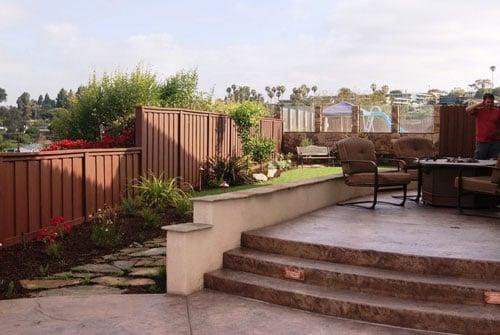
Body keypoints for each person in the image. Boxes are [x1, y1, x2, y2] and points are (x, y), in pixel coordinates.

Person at [465, 93, 500, 159]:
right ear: (484, 101)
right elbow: (467, 110)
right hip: (482, 141)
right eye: (488, 102)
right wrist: (480, 104)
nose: (490, 104)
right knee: (479, 162)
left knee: (493, 163)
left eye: (491, 102)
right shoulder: (479, 111)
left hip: (495, 142)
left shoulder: (498, 112)